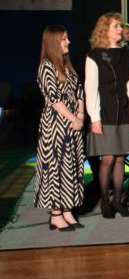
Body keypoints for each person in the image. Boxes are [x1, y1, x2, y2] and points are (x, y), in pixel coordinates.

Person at [85, 13, 129, 218]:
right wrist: (94, 117)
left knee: (120, 157)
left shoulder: (127, 53)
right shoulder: (94, 55)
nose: (120, 29)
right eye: (116, 26)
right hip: (105, 111)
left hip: (124, 110)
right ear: (104, 30)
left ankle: (118, 200)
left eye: (120, 26)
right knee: (107, 158)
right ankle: (105, 201)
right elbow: (91, 89)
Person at [35, 25, 86, 231]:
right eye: (64, 39)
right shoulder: (46, 66)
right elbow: (55, 100)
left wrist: (80, 116)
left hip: (73, 122)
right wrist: (74, 118)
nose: (68, 42)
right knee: (56, 167)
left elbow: (79, 91)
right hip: (56, 124)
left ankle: (67, 210)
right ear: (54, 42)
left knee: (71, 167)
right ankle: (56, 214)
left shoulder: (67, 65)